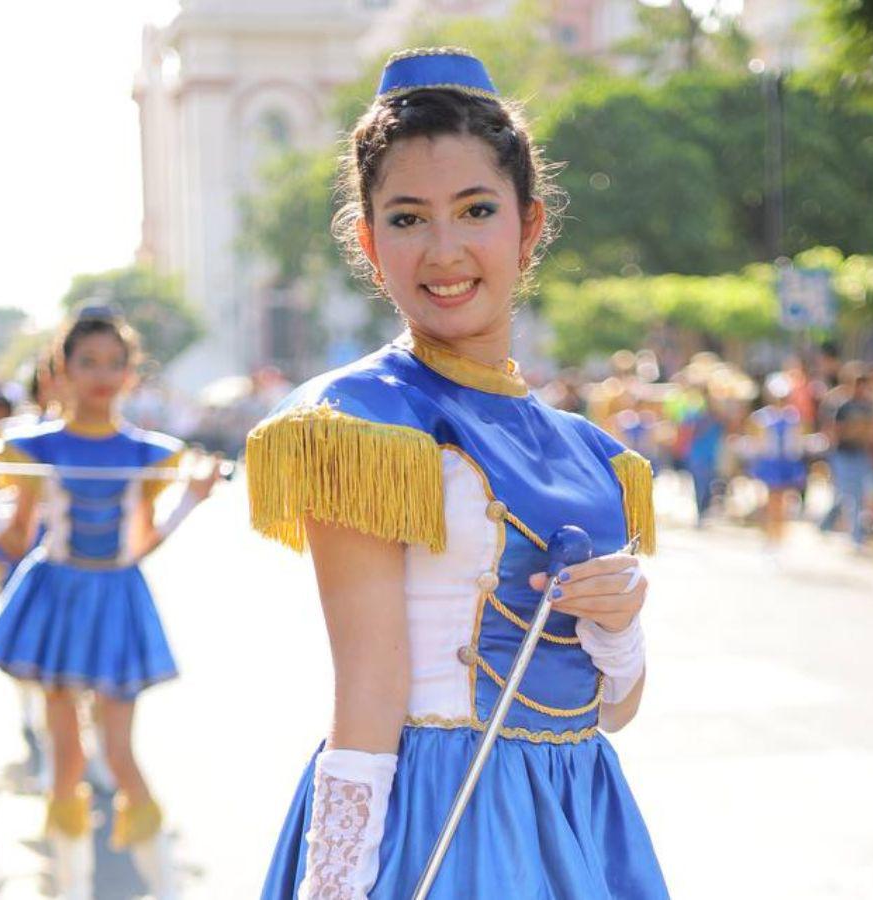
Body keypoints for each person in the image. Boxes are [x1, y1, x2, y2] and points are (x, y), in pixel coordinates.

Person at [247, 48, 668, 899]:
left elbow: (609, 711)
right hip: (436, 816)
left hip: (580, 814)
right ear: (368, 242)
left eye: (476, 210)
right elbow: (367, 686)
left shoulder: (591, 450)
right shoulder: (364, 422)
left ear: (528, 225)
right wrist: (335, 884)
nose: (444, 251)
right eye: (407, 219)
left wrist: (620, 634)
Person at [0, 306, 218, 899]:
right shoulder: (32, 448)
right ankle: (70, 886)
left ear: (132, 372)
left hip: (115, 601)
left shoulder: (148, 453)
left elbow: (138, 545)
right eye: (88, 361)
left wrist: (192, 501)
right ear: (62, 369)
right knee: (64, 757)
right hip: (55, 597)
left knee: (119, 753)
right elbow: (12, 539)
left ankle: (161, 886)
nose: (103, 374)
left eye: (115, 362)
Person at [818, 366, 873, 547]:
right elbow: (835, 431)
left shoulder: (869, 406)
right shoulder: (844, 407)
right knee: (848, 495)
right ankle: (852, 535)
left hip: (861, 455)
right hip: (844, 454)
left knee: (860, 494)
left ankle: (838, 530)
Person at [746, 372, 807, 550]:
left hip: (786, 462)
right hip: (769, 462)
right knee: (770, 499)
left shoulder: (792, 417)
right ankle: (770, 533)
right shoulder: (762, 417)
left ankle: (778, 534)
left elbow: (797, 440)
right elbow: (756, 442)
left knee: (782, 500)